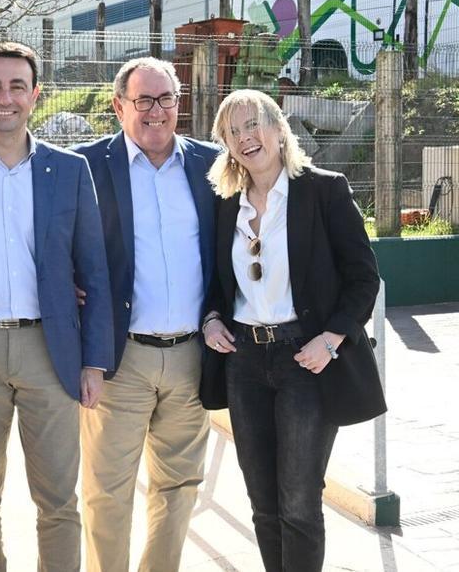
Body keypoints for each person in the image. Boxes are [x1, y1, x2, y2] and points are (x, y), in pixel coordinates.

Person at [0, 42, 114, 572]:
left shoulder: (70, 170)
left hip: (49, 350)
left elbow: (93, 272)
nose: (4, 98)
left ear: (35, 95)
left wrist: (94, 361)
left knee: (58, 500)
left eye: (16, 87)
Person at [201, 89, 383, 572]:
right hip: (244, 363)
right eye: (232, 131)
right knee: (262, 501)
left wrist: (332, 338)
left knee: (299, 501)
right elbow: (218, 284)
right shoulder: (225, 203)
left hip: (306, 359)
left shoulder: (324, 190)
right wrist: (212, 318)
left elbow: (365, 278)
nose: (245, 137)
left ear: (279, 129)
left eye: (252, 124)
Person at [71, 57, 218, 572]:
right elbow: (51, 242)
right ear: (119, 106)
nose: (157, 112)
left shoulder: (212, 165)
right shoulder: (85, 165)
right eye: (144, 100)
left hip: (191, 357)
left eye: (167, 99)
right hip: (120, 357)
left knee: (178, 488)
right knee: (107, 490)